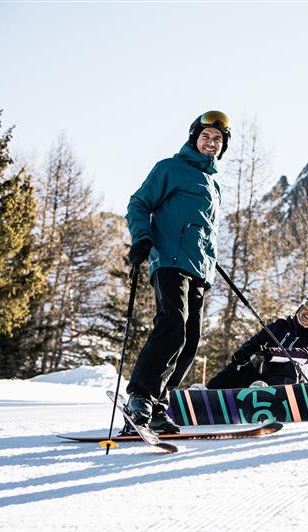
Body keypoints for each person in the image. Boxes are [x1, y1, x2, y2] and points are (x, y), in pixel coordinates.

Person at [123, 110, 231, 433]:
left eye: (218, 140)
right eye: (206, 137)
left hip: (198, 268)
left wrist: (208, 259)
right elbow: (138, 203)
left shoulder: (215, 185)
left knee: (191, 340)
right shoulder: (170, 168)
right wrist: (142, 238)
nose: (211, 143)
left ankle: (158, 404)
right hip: (169, 260)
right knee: (173, 326)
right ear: (193, 138)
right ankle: (139, 398)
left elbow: (202, 229)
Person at [206, 293, 308, 389]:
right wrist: (243, 353)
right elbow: (256, 341)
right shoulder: (281, 325)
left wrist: (273, 353)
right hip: (263, 382)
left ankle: (266, 396)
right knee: (240, 366)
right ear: (302, 306)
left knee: (290, 365)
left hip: (295, 387)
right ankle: (207, 393)